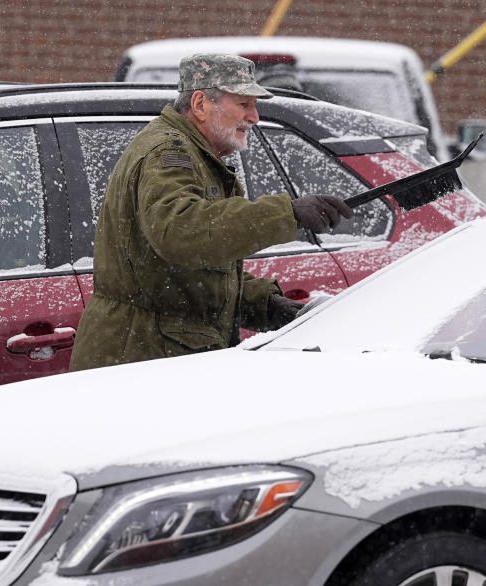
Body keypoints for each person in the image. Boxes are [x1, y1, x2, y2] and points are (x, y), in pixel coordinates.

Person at [69, 53, 351, 370]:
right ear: (201, 104)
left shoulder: (193, 153)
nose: (255, 117)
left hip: (156, 355)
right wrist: (287, 213)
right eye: (244, 104)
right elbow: (182, 233)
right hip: (142, 360)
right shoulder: (169, 152)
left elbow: (193, 276)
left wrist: (270, 306)